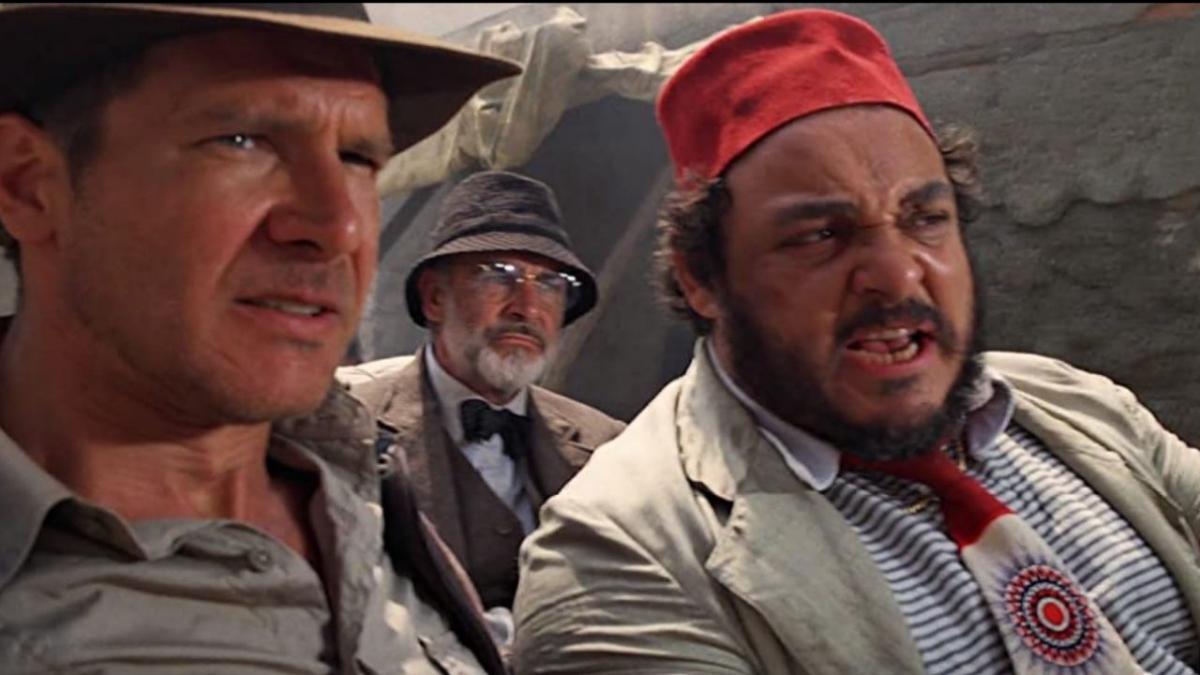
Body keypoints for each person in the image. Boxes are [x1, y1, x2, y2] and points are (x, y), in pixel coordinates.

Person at [513, 8, 1200, 674]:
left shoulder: (1079, 407)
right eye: (820, 235)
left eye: (925, 217)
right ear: (702, 277)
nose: (898, 275)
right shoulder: (620, 560)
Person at [0, 4, 521, 673]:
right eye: (243, 141)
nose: (338, 226)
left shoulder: (354, 484)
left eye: (358, 157)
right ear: (28, 184)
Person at [342, 170, 624, 640]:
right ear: (435, 298)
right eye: (498, 274)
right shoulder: (347, 431)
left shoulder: (610, 446)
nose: (527, 307)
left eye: (551, 283)